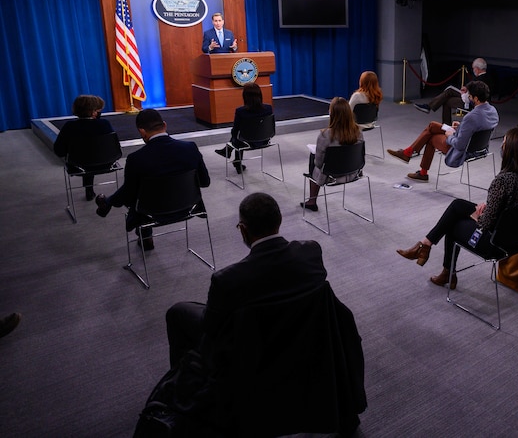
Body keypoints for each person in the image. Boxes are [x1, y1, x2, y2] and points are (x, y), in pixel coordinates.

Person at [162, 193, 366, 436]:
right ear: (279, 221)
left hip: (248, 350)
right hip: (301, 338)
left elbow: (211, 328)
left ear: (243, 231)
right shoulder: (311, 252)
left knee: (178, 313)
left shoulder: (227, 280)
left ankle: (184, 392)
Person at [396, 127, 518, 289]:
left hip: (495, 243)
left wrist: (478, 214)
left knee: (453, 223)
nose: (501, 147)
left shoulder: (503, 181)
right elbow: (515, 205)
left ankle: (439, 264)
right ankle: (426, 247)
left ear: (510, 151)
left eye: (503, 143)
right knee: (458, 205)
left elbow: (486, 223)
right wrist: (491, 206)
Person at [94, 109, 210, 250]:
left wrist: (115, 200)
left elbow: (129, 196)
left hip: (150, 213)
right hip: (189, 207)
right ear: (164, 125)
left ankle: (143, 232)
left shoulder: (136, 159)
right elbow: (205, 182)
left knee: (136, 194)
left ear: (142, 132)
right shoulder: (190, 148)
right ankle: (109, 203)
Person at [387, 80, 500, 182]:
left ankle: (419, 168)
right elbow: (478, 129)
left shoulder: (471, 117)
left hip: (462, 150)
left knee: (431, 138)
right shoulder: (493, 111)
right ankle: (409, 154)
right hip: (480, 148)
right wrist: (461, 127)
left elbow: (459, 145)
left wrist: (450, 135)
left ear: (476, 99)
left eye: (469, 96)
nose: (468, 98)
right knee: (432, 125)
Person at [301, 97, 364, 211]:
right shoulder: (358, 132)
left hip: (331, 176)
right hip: (353, 173)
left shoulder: (325, 135)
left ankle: (312, 201)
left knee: (313, 157)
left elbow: (319, 164)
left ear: (332, 114)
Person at [53, 94, 116, 201]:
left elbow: (59, 150)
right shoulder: (104, 124)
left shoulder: (70, 126)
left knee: (86, 158)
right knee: (91, 156)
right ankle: (89, 190)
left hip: (77, 165)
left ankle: (89, 190)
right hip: (107, 164)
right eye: (98, 110)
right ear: (93, 112)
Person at [214, 83, 273, 174]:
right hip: (265, 140)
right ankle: (233, 157)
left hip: (246, 143)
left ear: (245, 96)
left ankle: (230, 153)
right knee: (242, 135)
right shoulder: (268, 108)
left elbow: (235, 130)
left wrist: (233, 137)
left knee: (238, 136)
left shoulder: (241, 111)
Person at [415, 57, 494, 124]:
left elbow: (469, 98)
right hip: (473, 100)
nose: (473, 70)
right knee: (448, 93)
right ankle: (431, 109)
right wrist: (466, 88)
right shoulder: (487, 77)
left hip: (471, 103)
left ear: (477, 69)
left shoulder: (480, 81)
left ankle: (444, 124)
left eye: (473, 68)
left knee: (447, 95)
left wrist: (464, 93)